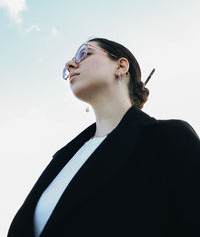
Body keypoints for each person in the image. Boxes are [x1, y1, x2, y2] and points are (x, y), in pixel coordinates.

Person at [8, 37, 200, 237]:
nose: (70, 64)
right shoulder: (64, 157)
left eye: (84, 54)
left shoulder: (169, 138)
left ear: (121, 65)